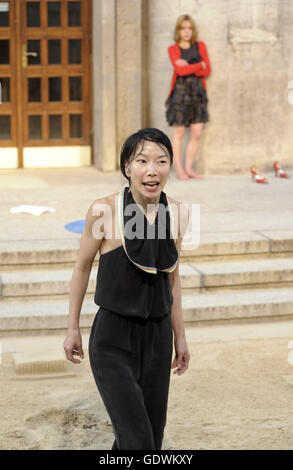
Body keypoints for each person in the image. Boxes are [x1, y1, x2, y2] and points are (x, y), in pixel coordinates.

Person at [63, 128, 190, 450]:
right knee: (137, 440)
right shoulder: (103, 210)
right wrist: (72, 328)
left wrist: (181, 337)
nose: (152, 170)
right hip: (112, 340)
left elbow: (172, 279)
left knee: (151, 439)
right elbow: (81, 268)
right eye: (142, 160)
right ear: (126, 168)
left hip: (158, 339)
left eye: (162, 161)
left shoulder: (178, 213)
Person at [165, 14, 211, 180]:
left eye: (189, 28)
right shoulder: (173, 49)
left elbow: (207, 71)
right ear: (178, 30)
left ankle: (189, 168)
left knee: (196, 133)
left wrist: (189, 66)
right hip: (180, 94)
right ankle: (179, 169)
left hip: (198, 94)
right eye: (183, 28)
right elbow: (181, 71)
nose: (186, 31)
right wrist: (199, 64)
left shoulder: (200, 46)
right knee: (178, 133)